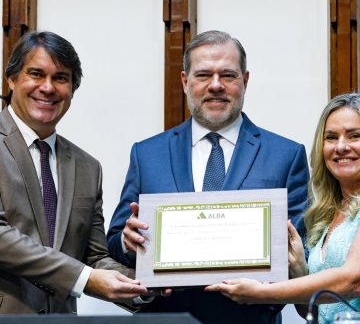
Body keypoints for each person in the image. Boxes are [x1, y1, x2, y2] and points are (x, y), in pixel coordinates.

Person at [107, 30, 309, 324]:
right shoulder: (147, 154)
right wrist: (128, 242)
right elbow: (114, 241)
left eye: (227, 75)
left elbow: (303, 244)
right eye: (203, 75)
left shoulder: (285, 155)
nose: (216, 86)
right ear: (185, 81)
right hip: (166, 318)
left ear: (245, 81)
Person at [0, 31, 147, 314]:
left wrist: (145, 286)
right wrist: (85, 279)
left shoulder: (87, 167)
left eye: (61, 78)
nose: (48, 88)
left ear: (72, 89)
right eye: (36, 74)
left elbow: (94, 257)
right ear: (11, 79)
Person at [206, 92, 360, 324]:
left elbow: (352, 281)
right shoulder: (326, 214)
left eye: (354, 136)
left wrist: (258, 293)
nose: (340, 147)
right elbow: (314, 310)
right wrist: (299, 269)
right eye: (330, 137)